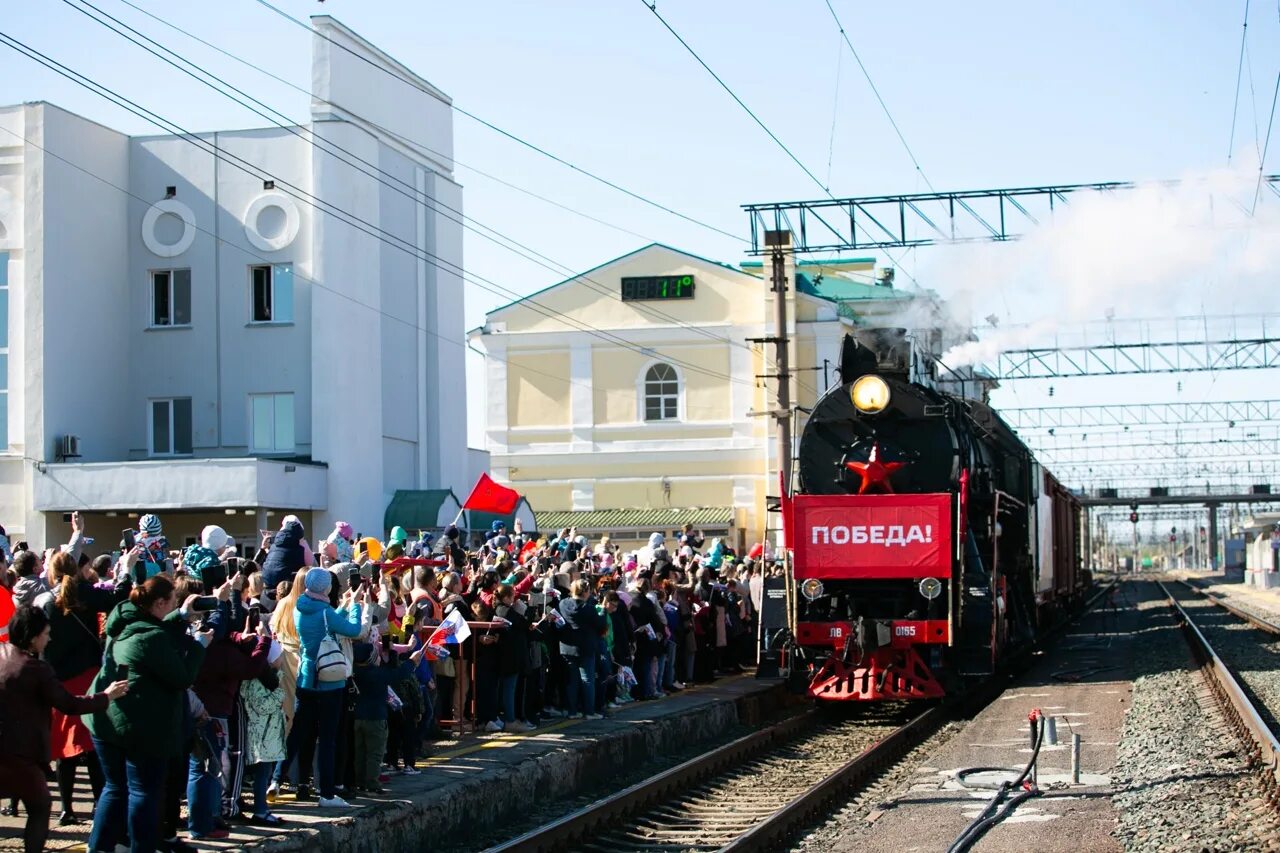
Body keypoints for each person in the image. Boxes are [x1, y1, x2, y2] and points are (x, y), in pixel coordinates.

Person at [86, 574, 210, 853]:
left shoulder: (124, 618)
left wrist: (180, 614)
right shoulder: (151, 638)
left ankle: (100, 847)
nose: (174, 606)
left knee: (115, 788)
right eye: (173, 602)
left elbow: (154, 626)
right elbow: (181, 677)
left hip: (106, 719)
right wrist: (200, 646)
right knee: (144, 792)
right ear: (160, 603)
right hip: (138, 726)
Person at [0, 606, 128, 853]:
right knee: (40, 806)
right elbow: (69, 704)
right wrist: (106, 696)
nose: (49, 639)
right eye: (46, 633)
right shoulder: (36, 669)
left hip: (8, 746)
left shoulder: (3, 654)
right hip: (21, 752)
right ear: (33, 636)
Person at [37, 552, 127, 825]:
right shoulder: (86, 594)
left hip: (58, 679)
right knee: (91, 745)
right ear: (77, 571)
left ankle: (67, 808)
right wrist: (125, 569)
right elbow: (118, 597)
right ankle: (101, 802)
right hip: (88, 675)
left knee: (65, 751)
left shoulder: (45, 601)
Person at [287, 567, 364, 808]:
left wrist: (343, 606)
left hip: (306, 678)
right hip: (329, 681)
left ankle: (275, 779)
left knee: (298, 736)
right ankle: (327, 794)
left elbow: (326, 621)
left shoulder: (301, 607)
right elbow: (353, 630)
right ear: (327, 588)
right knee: (328, 740)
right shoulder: (325, 611)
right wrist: (356, 606)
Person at [558, 579, 605, 719]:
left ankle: (572, 711)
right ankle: (589, 711)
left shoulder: (563, 604)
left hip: (567, 647)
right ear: (586, 591)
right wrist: (602, 612)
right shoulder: (588, 608)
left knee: (572, 680)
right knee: (587, 680)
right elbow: (600, 624)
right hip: (585, 647)